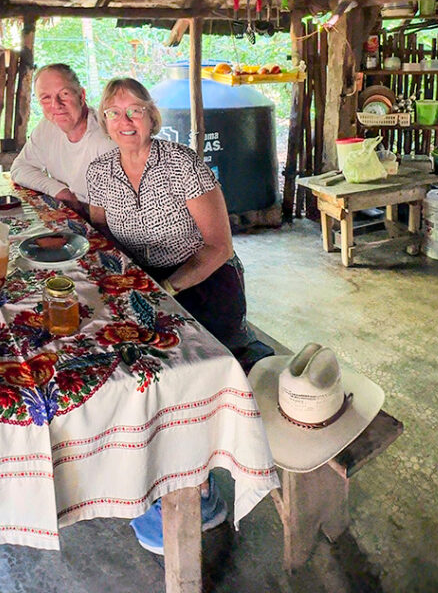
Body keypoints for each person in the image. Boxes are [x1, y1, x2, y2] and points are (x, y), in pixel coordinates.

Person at [85, 77, 271, 555]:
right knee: (120, 364)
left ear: (151, 116)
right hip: (142, 281)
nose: (125, 122)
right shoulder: (102, 170)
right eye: (114, 112)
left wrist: (166, 289)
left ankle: (196, 476)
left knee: (188, 372)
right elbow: (101, 236)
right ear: (104, 119)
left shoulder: (181, 162)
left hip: (202, 279)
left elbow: (218, 245)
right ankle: (141, 464)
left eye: (134, 111)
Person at [10, 64, 114, 214]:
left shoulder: (106, 137)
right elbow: (20, 168)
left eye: (64, 94)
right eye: (46, 98)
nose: (56, 105)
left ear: (81, 96)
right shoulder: (48, 126)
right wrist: (60, 191)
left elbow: (113, 212)